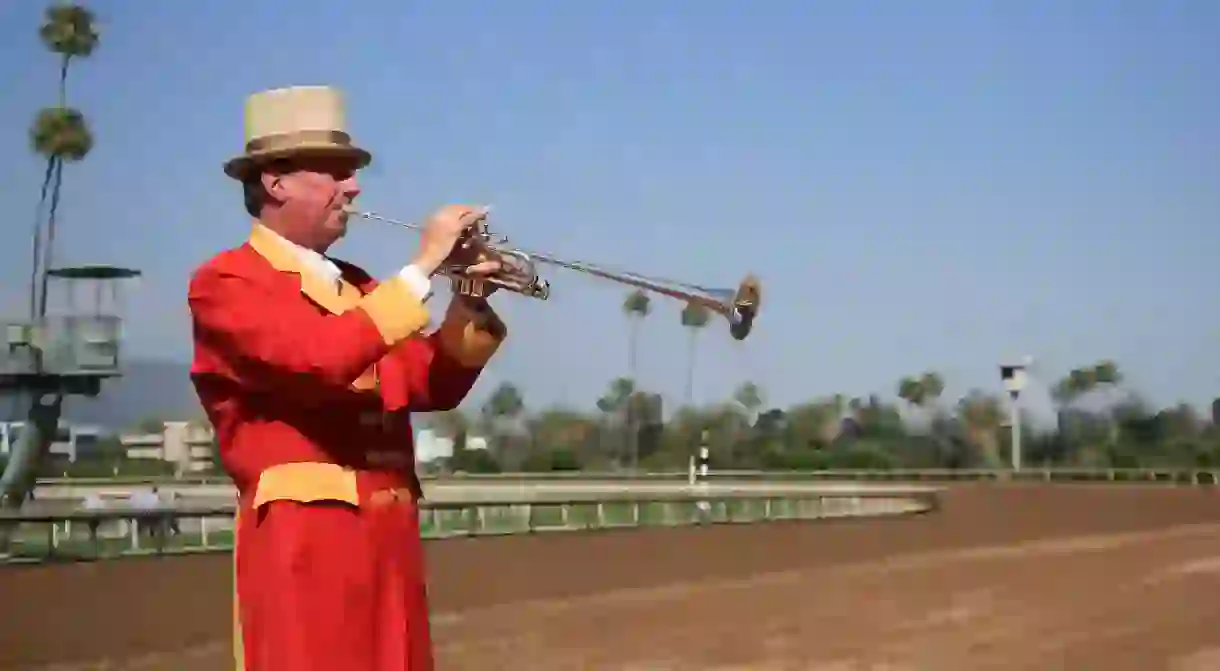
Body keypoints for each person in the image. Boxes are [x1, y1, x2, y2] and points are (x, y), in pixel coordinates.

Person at [188, 85, 507, 671]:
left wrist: (468, 296)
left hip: (391, 547)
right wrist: (420, 268)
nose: (354, 187)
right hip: (305, 545)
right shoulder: (227, 282)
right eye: (335, 171)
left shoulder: (357, 286)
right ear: (276, 182)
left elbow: (427, 384)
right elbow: (315, 360)